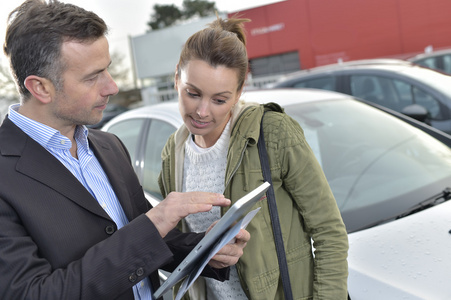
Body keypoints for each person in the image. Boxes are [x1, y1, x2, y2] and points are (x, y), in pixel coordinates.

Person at [0, 1, 250, 299]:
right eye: (92, 77)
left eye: (108, 70)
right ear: (40, 88)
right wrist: (154, 222)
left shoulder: (109, 146)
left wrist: (205, 249)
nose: (112, 86)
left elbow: (150, 244)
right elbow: (33, 294)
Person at [158, 16, 349, 299]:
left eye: (219, 100)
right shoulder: (173, 153)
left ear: (238, 93)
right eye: (193, 93)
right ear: (176, 79)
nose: (202, 111)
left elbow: (329, 232)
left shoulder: (271, 132)